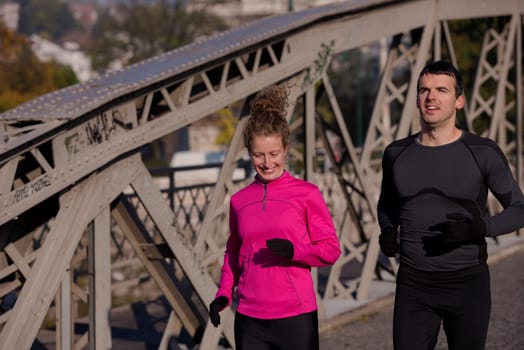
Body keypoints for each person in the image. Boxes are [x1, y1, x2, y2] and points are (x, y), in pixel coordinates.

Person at [377, 60, 524, 350]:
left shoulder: (482, 152)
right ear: (417, 98)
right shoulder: (395, 153)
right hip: (413, 286)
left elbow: (520, 209)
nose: (431, 97)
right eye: (424, 90)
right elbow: (387, 205)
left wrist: (482, 227)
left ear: (459, 101)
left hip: (468, 284)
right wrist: (387, 231)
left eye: (441, 90)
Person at [208, 84, 341, 350]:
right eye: (258, 155)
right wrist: (223, 294)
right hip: (249, 319)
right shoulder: (239, 201)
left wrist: (296, 251)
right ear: (249, 152)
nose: (267, 163)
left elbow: (331, 250)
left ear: (285, 150)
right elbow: (233, 253)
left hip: (295, 317)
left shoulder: (307, 194)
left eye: (273, 154)